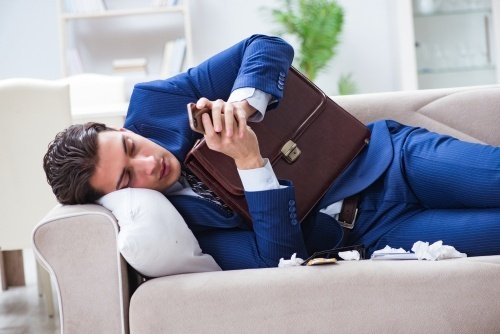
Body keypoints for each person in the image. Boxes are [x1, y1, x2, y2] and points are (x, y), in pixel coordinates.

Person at [43, 35, 500, 270]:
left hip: (391, 160)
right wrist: (249, 163)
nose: (148, 163)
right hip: (379, 232)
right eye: (126, 178)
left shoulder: (155, 103)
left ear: (120, 127)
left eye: (129, 146)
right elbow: (275, 260)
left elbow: (265, 46)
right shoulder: (180, 227)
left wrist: (245, 103)